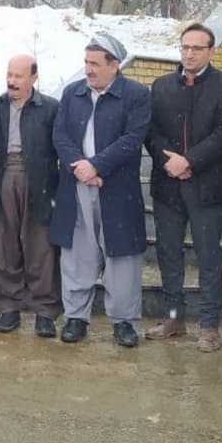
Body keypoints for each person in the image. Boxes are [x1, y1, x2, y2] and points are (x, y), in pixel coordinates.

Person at [144, 23, 222, 352]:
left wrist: (189, 161)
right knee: (169, 254)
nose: (189, 53)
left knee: (208, 258)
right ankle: (174, 316)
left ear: (211, 52)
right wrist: (168, 161)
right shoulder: (160, 86)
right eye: (185, 47)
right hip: (168, 187)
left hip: (208, 186)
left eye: (197, 48)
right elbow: (151, 132)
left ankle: (209, 324)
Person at [50, 33, 151, 345]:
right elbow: (60, 135)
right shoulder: (73, 93)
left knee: (122, 258)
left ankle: (124, 322)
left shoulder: (135, 94)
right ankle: (76, 318)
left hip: (116, 188)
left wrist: (97, 166)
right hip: (77, 185)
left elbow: (133, 139)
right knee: (77, 256)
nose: (89, 69)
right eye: (86, 62)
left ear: (115, 66)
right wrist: (79, 165)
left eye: (95, 63)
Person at [0, 53, 59, 337]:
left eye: (18, 76)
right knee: (3, 244)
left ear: (33, 78)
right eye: (9, 74)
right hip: (2, 175)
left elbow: (59, 147)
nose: (12, 81)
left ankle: (45, 311)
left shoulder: (50, 108)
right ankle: (9, 307)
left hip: (38, 178)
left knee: (40, 246)